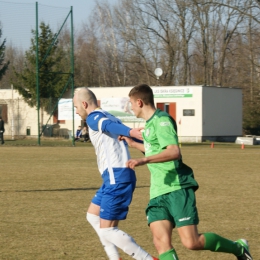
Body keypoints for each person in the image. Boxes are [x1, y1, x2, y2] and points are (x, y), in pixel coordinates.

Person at [120, 84, 253, 260]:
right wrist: (133, 144)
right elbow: (155, 149)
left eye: (131, 103)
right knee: (160, 242)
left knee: (191, 242)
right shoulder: (149, 124)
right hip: (158, 191)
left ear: (139, 102)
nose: (131, 108)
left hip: (177, 188)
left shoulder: (162, 121)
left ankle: (238, 248)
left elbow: (174, 152)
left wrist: (143, 160)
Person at [73, 87, 158, 260]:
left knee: (108, 229)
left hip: (116, 177)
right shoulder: (108, 114)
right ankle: (114, 257)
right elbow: (118, 129)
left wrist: (131, 133)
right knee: (92, 215)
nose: (76, 111)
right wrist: (134, 137)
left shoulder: (94, 117)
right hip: (113, 177)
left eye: (75, 107)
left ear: (84, 104)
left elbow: (107, 126)